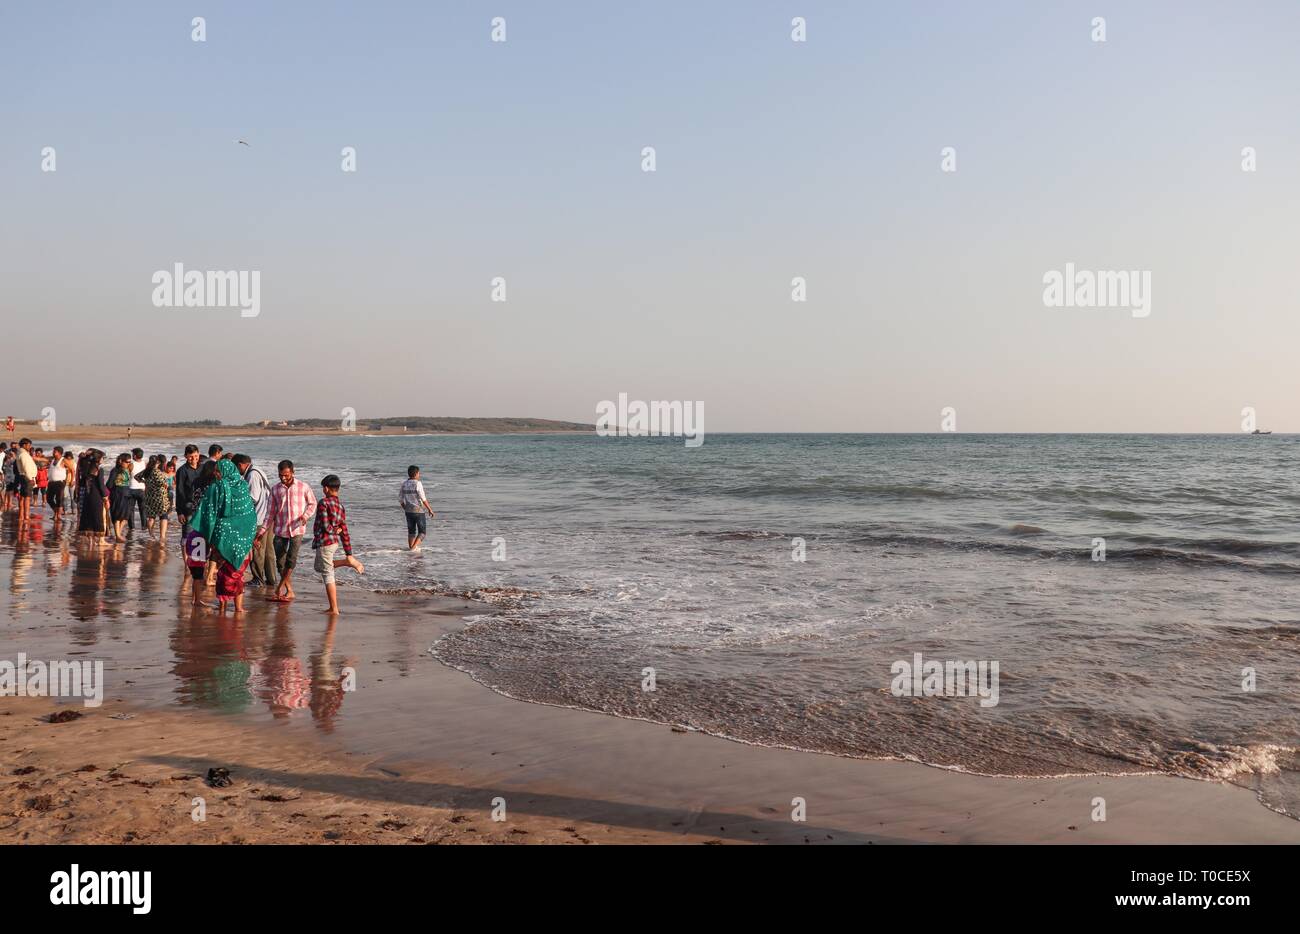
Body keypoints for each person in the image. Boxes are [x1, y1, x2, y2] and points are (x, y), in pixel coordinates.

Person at [188, 459, 257, 614]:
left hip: (223, 536)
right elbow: (250, 515)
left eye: (218, 472)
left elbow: (209, 513)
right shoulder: (243, 486)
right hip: (242, 538)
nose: (216, 474)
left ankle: (225, 606)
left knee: (226, 572)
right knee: (236, 572)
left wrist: (208, 534)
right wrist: (250, 536)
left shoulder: (216, 487)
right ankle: (235, 607)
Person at [312, 474, 364, 614]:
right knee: (319, 567)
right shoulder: (341, 506)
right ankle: (347, 561)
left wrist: (334, 530)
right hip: (333, 543)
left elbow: (325, 526)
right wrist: (349, 552)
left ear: (326, 489)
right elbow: (344, 531)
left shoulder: (323, 503)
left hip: (325, 542)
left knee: (327, 574)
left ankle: (334, 608)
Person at [267, 459, 316, 602]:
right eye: (281, 475)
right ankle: (289, 590)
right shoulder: (275, 489)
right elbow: (270, 512)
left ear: (293, 472)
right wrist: (262, 530)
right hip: (280, 529)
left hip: (297, 529)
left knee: (291, 560)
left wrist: (306, 515)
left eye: (286, 475)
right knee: (280, 562)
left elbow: (313, 503)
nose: (283, 478)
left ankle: (279, 589)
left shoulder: (303, 486)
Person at [232, 454, 277, 589]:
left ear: (240, 465)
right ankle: (271, 578)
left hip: (258, 518)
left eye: (236, 468)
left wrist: (238, 507)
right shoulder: (259, 470)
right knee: (269, 550)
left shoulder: (252, 475)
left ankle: (258, 578)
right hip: (268, 517)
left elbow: (253, 498)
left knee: (257, 550)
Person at [398, 464, 436, 550]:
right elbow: (423, 498)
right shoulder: (418, 483)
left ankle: (411, 549)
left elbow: (400, 499)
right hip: (418, 511)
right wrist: (430, 509)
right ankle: (413, 548)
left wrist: (405, 508)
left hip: (408, 511)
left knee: (411, 532)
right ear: (416, 474)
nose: (419, 475)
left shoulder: (404, 484)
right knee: (422, 532)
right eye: (419, 473)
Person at [78, 454, 108, 544]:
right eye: (102, 458)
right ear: (98, 460)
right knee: (97, 517)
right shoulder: (99, 470)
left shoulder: (86, 469)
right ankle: (100, 541)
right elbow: (101, 485)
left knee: (88, 517)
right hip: (96, 496)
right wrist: (105, 497)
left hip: (88, 495)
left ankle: (91, 541)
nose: (103, 459)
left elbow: (82, 482)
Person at [142, 455, 171, 540]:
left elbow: (137, 477)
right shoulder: (156, 471)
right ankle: (162, 537)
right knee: (163, 516)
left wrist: (146, 483)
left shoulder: (147, 471)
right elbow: (163, 483)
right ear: (158, 462)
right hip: (159, 497)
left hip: (149, 496)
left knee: (152, 516)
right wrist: (166, 483)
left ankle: (151, 534)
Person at [174, 445, 201, 530]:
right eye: (190, 456)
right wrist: (180, 512)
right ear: (185, 456)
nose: (193, 458)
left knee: (200, 538)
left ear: (199, 454)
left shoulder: (203, 468)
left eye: (196, 456)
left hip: (201, 508)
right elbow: (179, 491)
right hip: (188, 509)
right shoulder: (182, 471)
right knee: (187, 538)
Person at [107, 452, 133, 541]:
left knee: (125, 517)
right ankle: (118, 535)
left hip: (127, 494)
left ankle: (118, 534)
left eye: (130, 462)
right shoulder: (115, 470)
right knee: (117, 516)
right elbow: (109, 484)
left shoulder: (128, 469)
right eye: (127, 462)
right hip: (118, 493)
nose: (128, 463)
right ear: (120, 461)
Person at [15, 439, 39, 525]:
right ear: (24, 445)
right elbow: (26, 467)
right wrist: (31, 478)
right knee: (27, 498)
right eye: (29, 445)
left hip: (23, 476)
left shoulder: (20, 453)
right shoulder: (23, 454)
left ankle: (22, 516)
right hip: (27, 477)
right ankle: (26, 516)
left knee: (23, 497)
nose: (30, 447)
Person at [46, 446, 68, 524]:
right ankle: (56, 512)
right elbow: (43, 459)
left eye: (55, 451)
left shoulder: (63, 460)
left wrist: (71, 480)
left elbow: (72, 469)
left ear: (59, 453)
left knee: (59, 499)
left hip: (60, 482)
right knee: (49, 498)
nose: (53, 452)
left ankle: (58, 515)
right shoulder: (52, 460)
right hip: (51, 482)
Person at [128, 447, 147, 532]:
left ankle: (132, 527)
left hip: (132, 489)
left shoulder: (131, 464)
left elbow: (127, 476)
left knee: (131, 509)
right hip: (142, 489)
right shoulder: (145, 464)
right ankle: (144, 526)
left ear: (135, 456)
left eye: (133, 454)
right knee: (143, 509)